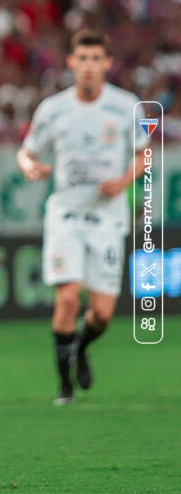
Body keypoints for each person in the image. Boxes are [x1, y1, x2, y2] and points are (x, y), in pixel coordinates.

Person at [16, 29, 147, 405]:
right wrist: (29, 167)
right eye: (82, 59)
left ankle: (80, 348)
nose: (88, 66)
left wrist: (123, 181)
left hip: (108, 218)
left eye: (96, 59)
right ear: (72, 63)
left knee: (102, 314)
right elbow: (25, 153)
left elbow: (144, 155)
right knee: (69, 299)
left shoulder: (127, 106)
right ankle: (64, 387)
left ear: (106, 64)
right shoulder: (53, 108)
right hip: (66, 215)